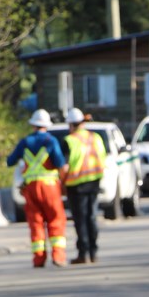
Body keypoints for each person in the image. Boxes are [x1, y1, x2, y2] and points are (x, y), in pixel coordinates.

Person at [6, 109, 68, 267]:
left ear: (33, 125)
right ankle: (58, 256)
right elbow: (60, 163)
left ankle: (39, 259)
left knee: (36, 222)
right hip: (50, 187)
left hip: (31, 188)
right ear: (46, 125)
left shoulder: (25, 142)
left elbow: (10, 161)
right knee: (55, 219)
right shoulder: (51, 141)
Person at [63, 107, 107, 264]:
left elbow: (65, 166)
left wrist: (61, 181)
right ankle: (93, 252)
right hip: (94, 182)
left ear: (71, 124)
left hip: (76, 185)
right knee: (91, 217)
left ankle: (83, 253)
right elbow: (102, 157)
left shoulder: (69, 141)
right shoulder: (95, 138)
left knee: (80, 220)